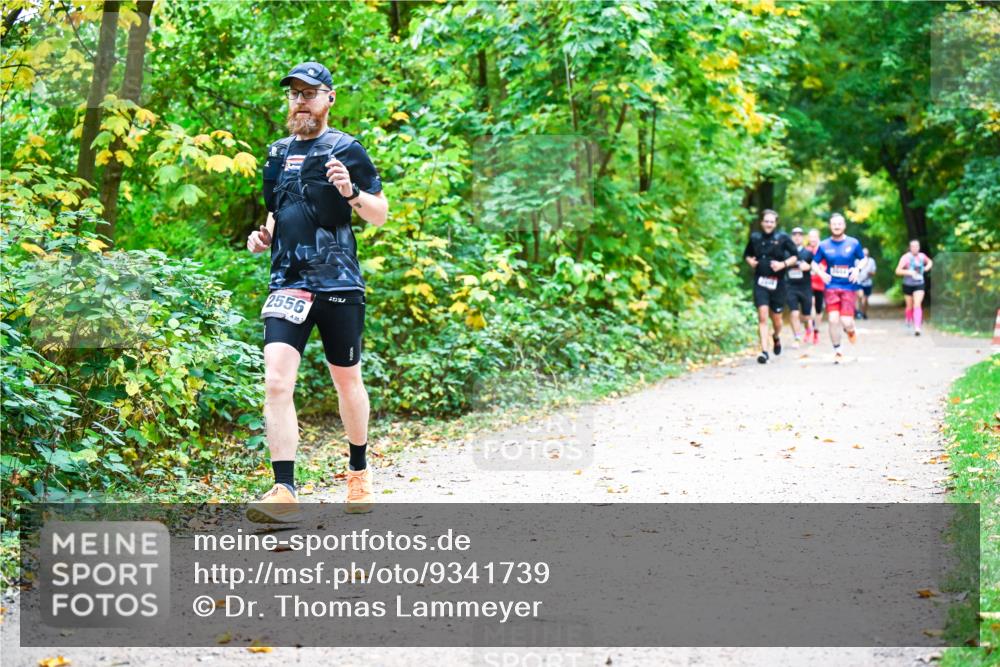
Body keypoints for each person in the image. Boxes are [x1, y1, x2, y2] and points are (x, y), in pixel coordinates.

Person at [245, 62, 389, 522]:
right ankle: (284, 489)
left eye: (310, 93)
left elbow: (379, 214)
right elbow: (278, 211)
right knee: (276, 381)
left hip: (339, 281)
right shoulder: (275, 153)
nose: (301, 100)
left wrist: (351, 193)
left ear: (329, 98)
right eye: (294, 93)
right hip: (288, 281)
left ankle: (358, 473)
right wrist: (263, 235)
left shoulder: (347, 148)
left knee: (346, 380)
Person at [743, 209, 799, 364]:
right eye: (766, 221)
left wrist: (783, 264)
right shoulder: (755, 238)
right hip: (760, 282)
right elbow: (747, 254)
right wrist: (750, 261)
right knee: (762, 315)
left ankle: (776, 336)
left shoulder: (782, 238)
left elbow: (795, 256)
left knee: (777, 320)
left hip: (778, 283)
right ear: (762, 223)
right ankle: (764, 352)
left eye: (771, 222)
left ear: (776, 223)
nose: (768, 224)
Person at [811, 213, 864, 363]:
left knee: (846, 321)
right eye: (834, 224)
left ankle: (851, 330)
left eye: (839, 224)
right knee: (833, 320)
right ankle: (838, 351)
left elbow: (863, 259)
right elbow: (814, 263)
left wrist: (857, 269)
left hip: (848, 287)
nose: (836, 226)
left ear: (844, 225)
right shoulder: (824, 245)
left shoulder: (853, 243)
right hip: (831, 287)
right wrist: (821, 273)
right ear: (830, 226)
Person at [895, 239, 933, 336]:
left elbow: (930, 262)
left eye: (917, 246)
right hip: (908, 284)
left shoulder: (922, 256)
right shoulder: (905, 258)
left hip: (919, 284)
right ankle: (908, 318)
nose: (915, 248)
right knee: (909, 306)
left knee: (917, 304)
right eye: (913, 246)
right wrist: (909, 272)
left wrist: (926, 268)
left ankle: (917, 327)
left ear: (919, 247)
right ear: (910, 247)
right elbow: (898, 271)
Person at [785, 227, 814, 349]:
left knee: (806, 316)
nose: (797, 237)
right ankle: (797, 337)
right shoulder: (786, 253)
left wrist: (808, 267)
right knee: (794, 312)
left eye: (800, 235)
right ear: (792, 237)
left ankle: (808, 328)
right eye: (794, 234)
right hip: (790, 286)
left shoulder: (808, 253)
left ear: (803, 237)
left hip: (805, 287)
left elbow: (816, 267)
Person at [807, 228, 825, 344]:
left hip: (820, 283)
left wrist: (817, 270)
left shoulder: (823, 250)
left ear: (818, 237)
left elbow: (825, 265)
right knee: (810, 305)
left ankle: (816, 331)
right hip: (807, 283)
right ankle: (809, 329)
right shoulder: (806, 250)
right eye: (810, 237)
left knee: (818, 309)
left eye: (814, 236)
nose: (812, 239)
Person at [856, 247, 876, 319]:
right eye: (863, 254)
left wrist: (870, 273)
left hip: (868, 283)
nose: (865, 255)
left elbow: (874, 272)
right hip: (859, 282)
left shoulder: (871, 261)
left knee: (866, 299)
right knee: (860, 296)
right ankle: (858, 312)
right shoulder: (857, 261)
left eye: (866, 254)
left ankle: (864, 313)